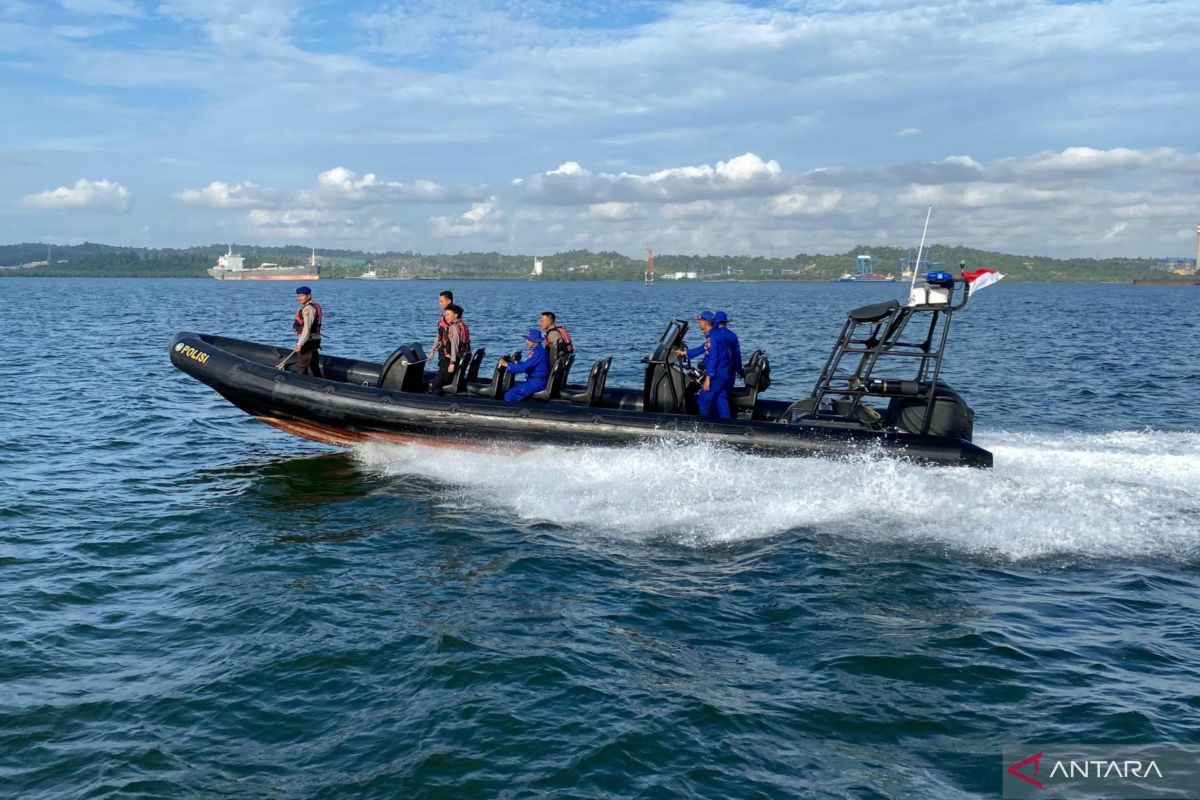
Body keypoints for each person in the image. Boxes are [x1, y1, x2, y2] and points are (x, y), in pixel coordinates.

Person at [676, 309, 732, 420]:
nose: (699, 323)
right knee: (720, 399)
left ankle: (704, 428)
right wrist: (685, 353)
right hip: (723, 373)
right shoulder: (713, 335)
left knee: (703, 400)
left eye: (700, 321)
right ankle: (726, 424)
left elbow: (713, 358)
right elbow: (703, 348)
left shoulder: (713, 337)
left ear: (705, 322)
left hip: (717, 375)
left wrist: (708, 378)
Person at [498, 328, 550, 402]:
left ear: (534, 341)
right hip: (534, 380)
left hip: (536, 382)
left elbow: (523, 368)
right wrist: (515, 363)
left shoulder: (538, 352)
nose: (526, 341)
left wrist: (505, 364)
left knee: (509, 395)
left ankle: (514, 412)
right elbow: (528, 365)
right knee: (514, 388)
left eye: (528, 339)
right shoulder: (537, 350)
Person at [429, 303, 470, 395]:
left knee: (436, 385)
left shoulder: (453, 328)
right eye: (445, 315)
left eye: (448, 315)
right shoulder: (463, 325)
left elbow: (454, 346)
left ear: (455, 315)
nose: (446, 317)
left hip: (449, 360)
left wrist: (452, 363)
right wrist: (433, 351)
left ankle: (437, 403)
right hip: (458, 357)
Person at [291, 285, 323, 377]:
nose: (299, 298)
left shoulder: (308, 309)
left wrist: (300, 344)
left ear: (308, 295)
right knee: (314, 365)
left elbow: (307, 328)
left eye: (301, 296)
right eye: (298, 296)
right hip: (314, 340)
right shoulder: (311, 307)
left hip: (308, 341)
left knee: (302, 366)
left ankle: (300, 383)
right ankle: (319, 381)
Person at [713, 310, 743, 378]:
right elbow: (737, 355)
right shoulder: (733, 335)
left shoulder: (715, 335)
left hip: (718, 373)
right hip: (730, 373)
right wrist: (739, 370)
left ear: (716, 321)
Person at [429, 290, 453, 359]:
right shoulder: (451, 315)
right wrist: (432, 351)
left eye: (441, 301)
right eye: (439, 301)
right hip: (446, 353)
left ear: (449, 301)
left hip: (448, 356)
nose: (439, 303)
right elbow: (440, 335)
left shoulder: (449, 317)